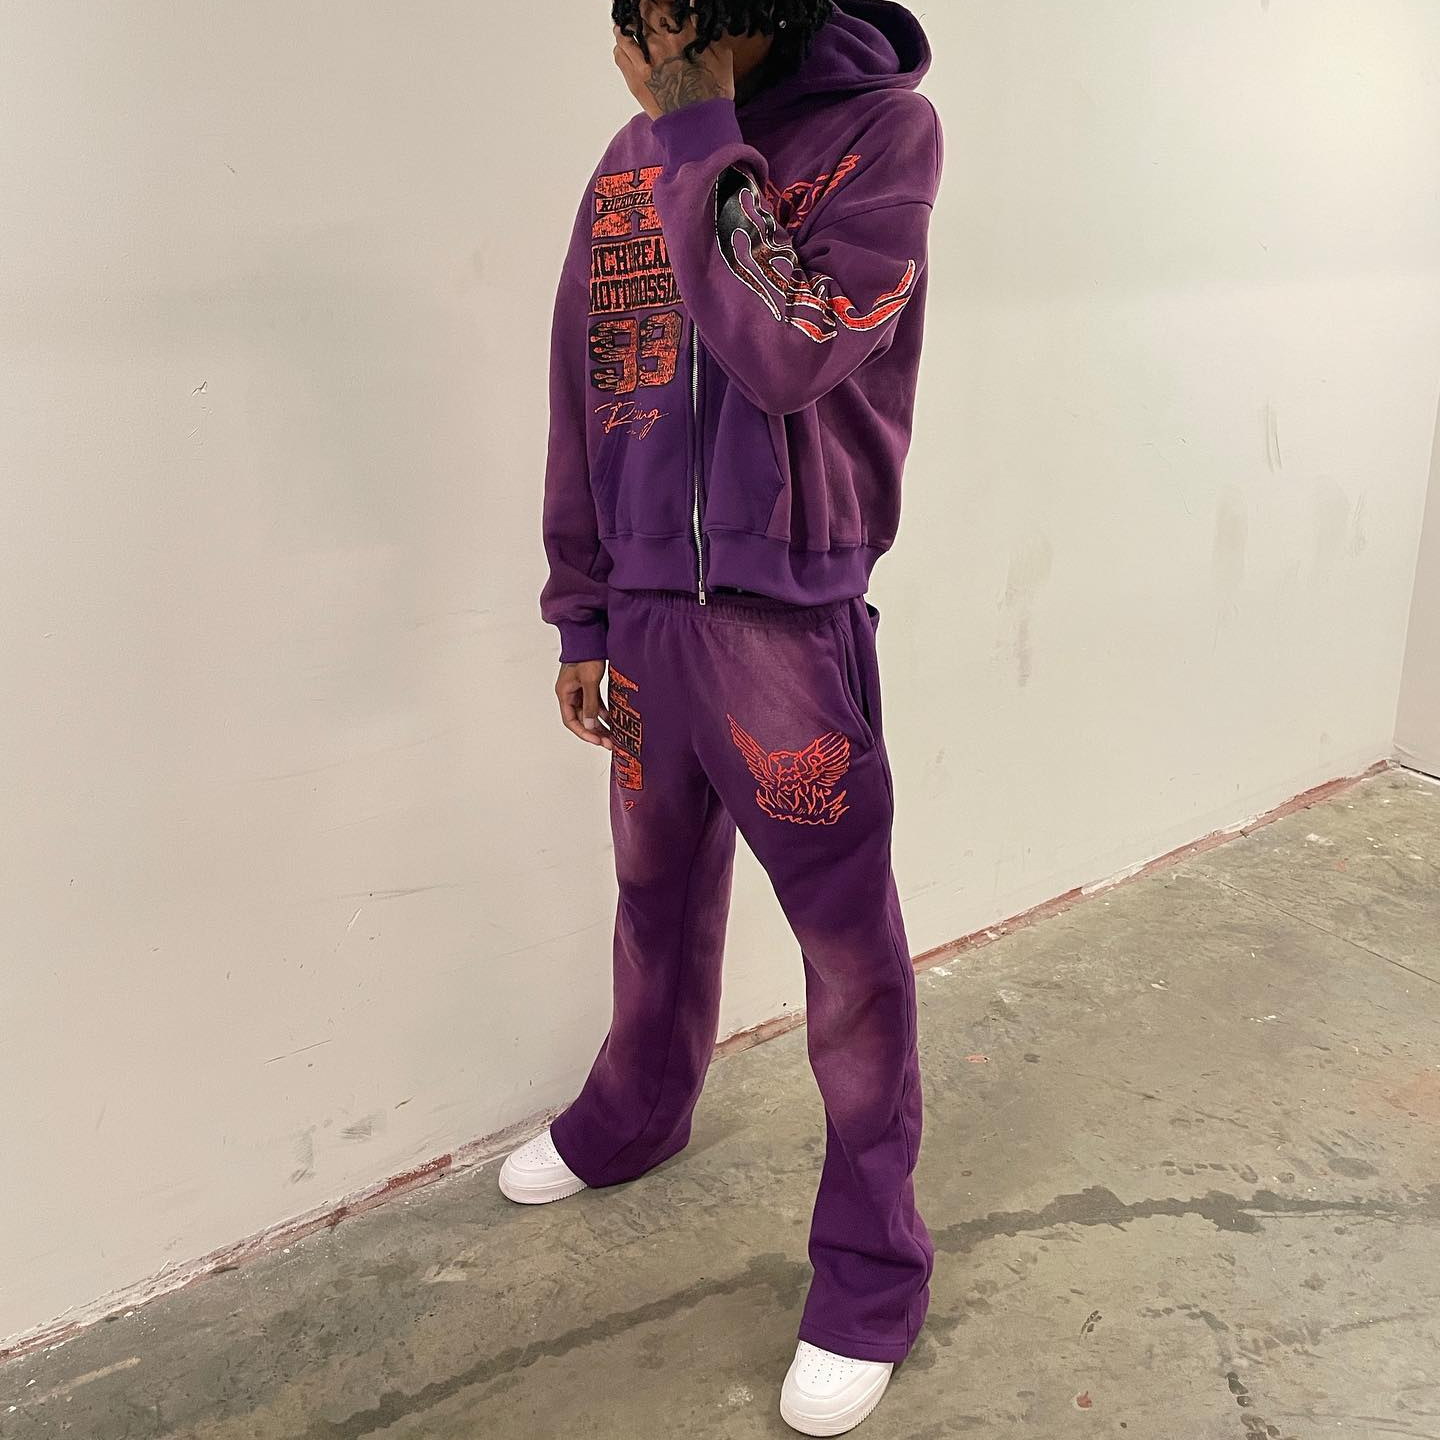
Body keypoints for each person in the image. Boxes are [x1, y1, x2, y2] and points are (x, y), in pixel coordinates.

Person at [506, 1, 942, 1432]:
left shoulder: (883, 135)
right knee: (653, 900)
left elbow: (790, 352)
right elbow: (583, 384)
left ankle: (871, 1273)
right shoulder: (628, 161)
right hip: (643, 620)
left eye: (654, 15)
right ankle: (636, 1113)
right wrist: (583, 609)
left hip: (786, 628)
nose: (627, 42)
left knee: (848, 962)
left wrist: (700, 132)